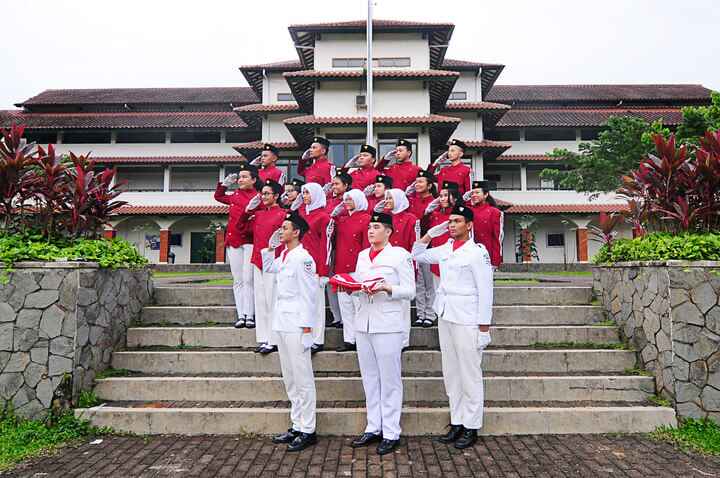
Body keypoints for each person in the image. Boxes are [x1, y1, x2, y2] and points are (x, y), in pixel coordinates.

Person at [411, 204, 493, 450]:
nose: (452, 225)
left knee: (469, 374)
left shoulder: (477, 253)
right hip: (446, 315)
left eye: (457, 221)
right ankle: (457, 421)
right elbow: (416, 254)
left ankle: (472, 425)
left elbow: (486, 291)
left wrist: (484, 328)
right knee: (451, 372)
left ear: (469, 225)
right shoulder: (446, 248)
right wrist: (430, 234)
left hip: (467, 317)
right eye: (450, 221)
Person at [351, 212, 416, 455]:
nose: (371, 231)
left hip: (388, 323)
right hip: (364, 322)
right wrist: (353, 288)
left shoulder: (400, 255)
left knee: (389, 379)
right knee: (369, 378)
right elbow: (359, 283)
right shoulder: (361, 255)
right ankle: (373, 426)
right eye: (369, 227)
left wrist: (389, 288)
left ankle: (390, 431)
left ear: (388, 232)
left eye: (376, 227)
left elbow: (410, 290)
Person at [263, 212, 319, 452]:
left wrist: (308, 329)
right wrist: (269, 247)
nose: (280, 231)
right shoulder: (285, 255)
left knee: (303, 377)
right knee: (290, 377)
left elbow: (310, 295)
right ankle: (297, 424)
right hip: (282, 321)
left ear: (296, 232)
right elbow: (268, 268)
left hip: (298, 323)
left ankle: (308, 429)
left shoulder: (303, 258)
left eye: (284, 228)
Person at [242, 179, 287, 354]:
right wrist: (247, 210)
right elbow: (243, 229)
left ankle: (274, 339)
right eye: (262, 194)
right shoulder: (259, 214)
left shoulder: (283, 214)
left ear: (276, 196)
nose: (263, 196)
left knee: (272, 301)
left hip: (273, 261)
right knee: (260, 302)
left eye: (267, 193)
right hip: (258, 260)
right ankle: (263, 337)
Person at [214, 163, 260, 329]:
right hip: (233, 240)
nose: (240, 180)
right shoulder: (235, 195)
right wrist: (224, 185)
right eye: (239, 177)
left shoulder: (258, 197)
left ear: (254, 180)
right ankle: (241, 314)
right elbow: (219, 197)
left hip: (249, 240)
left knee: (249, 279)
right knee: (238, 280)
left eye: (245, 177)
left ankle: (250, 314)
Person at [331, 188, 371, 351]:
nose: (346, 201)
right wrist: (333, 215)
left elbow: (367, 245)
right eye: (345, 199)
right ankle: (349, 339)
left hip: (357, 267)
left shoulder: (367, 219)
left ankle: (361, 338)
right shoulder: (341, 220)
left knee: (358, 304)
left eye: (350, 199)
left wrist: (365, 268)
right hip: (341, 267)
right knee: (345, 305)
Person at [299, 183, 331, 353]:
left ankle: (317, 339)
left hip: (316, 268)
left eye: (308, 193)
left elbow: (326, 245)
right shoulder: (300, 214)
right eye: (303, 193)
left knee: (317, 305)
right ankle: (305, 336)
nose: (304, 196)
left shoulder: (323, 217)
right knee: (303, 304)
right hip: (300, 265)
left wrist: (323, 271)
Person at [407, 170, 437, 328]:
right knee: (418, 281)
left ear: (429, 185)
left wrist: (426, 214)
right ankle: (420, 313)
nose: (417, 185)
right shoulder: (411, 201)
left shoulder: (435, 202)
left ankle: (430, 314)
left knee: (429, 282)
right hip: (414, 245)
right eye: (416, 182)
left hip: (428, 245)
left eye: (421, 182)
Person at [422, 182, 461, 298]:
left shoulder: (460, 215)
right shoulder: (435, 215)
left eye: (445, 195)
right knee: (438, 295)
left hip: (454, 260)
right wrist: (426, 213)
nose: (442, 199)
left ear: (454, 198)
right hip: (437, 261)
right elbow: (424, 230)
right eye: (441, 196)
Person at [325, 171, 353, 329]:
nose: (333, 186)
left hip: (342, 245)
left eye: (337, 184)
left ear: (346, 185)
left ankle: (345, 317)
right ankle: (336, 316)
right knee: (331, 283)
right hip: (330, 245)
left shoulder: (349, 201)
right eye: (333, 184)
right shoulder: (328, 201)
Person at [466, 180, 504, 269]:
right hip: (468, 255)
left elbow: (498, 237)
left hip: (486, 255)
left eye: (477, 192)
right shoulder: (467, 210)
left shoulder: (494, 212)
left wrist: (495, 260)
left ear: (486, 194)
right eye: (472, 193)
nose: (474, 195)